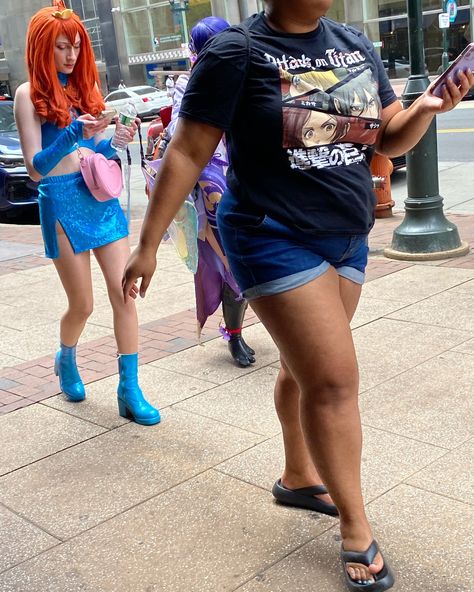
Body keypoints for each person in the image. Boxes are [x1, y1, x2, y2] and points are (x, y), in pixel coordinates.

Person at [123, 1, 474, 589]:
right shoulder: (235, 51)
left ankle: (297, 476)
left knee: (303, 365)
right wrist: (149, 243)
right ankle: (356, 528)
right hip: (270, 233)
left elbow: (388, 138)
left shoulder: (351, 43)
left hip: (345, 234)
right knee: (333, 380)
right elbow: (187, 149)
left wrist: (428, 109)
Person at [14, 1, 160, 426]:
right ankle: (67, 358)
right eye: (62, 46)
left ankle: (129, 388)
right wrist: (73, 133)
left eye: (76, 46)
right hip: (60, 202)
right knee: (82, 305)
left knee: (125, 294)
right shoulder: (28, 95)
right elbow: (35, 168)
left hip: (99, 199)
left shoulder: (84, 90)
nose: (71, 55)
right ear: (43, 48)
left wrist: (116, 140)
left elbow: (93, 153)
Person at [163, 16, 255, 367]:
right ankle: (234, 335)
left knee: (251, 265)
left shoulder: (248, 75)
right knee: (230, 266)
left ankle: (240, 328)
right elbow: (182, 141)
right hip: (212, 192)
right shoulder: (188, 84)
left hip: (249, 183)